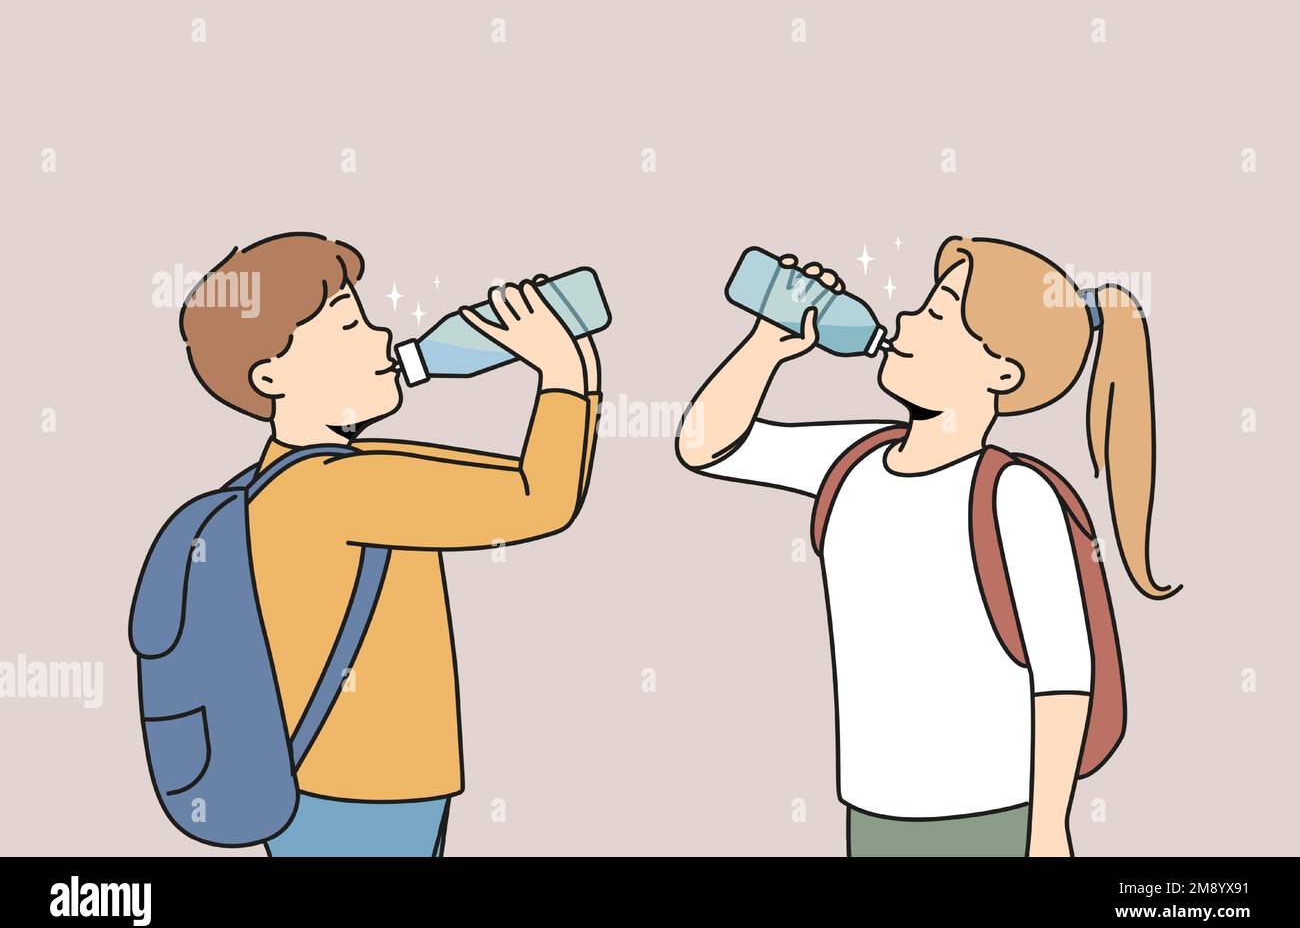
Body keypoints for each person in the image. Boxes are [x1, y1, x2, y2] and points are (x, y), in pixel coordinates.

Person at [677, 237, 1178, 856]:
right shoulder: (855, 459)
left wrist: (1049, 831)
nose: (906, 321)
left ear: (1002, 372)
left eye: (938, 313)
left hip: (991, 816)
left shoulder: (1014, 494)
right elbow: (704, 446)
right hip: (874, 812)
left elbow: (1065, 675)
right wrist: (766, 347)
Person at [179, 232, 601, 855]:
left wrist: (565, 369)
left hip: (344, 784)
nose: (381, 338)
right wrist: (563, 372)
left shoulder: (315, 473)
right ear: (271, 375)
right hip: (362, 790)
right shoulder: (336, 489)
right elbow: (541, 497)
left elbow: (514, 484)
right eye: (348, 327)